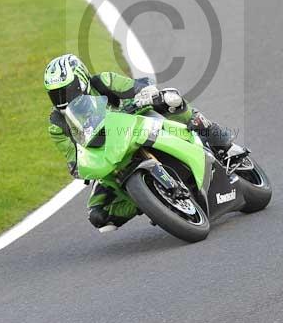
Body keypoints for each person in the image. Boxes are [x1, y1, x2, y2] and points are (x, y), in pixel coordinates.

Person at [44, 53, 236, 233]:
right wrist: (80, 167)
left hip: (136, 121)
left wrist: (145, 95)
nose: (63, 98)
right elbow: (73, 157)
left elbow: (136, 88)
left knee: (171, 100)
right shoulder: (56, 124)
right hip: (108, 154)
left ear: (81, 80)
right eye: (56, 94)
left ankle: (220, 141)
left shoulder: (103, 81)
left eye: (67, 90)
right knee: (98, 215)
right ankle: (151, 199)